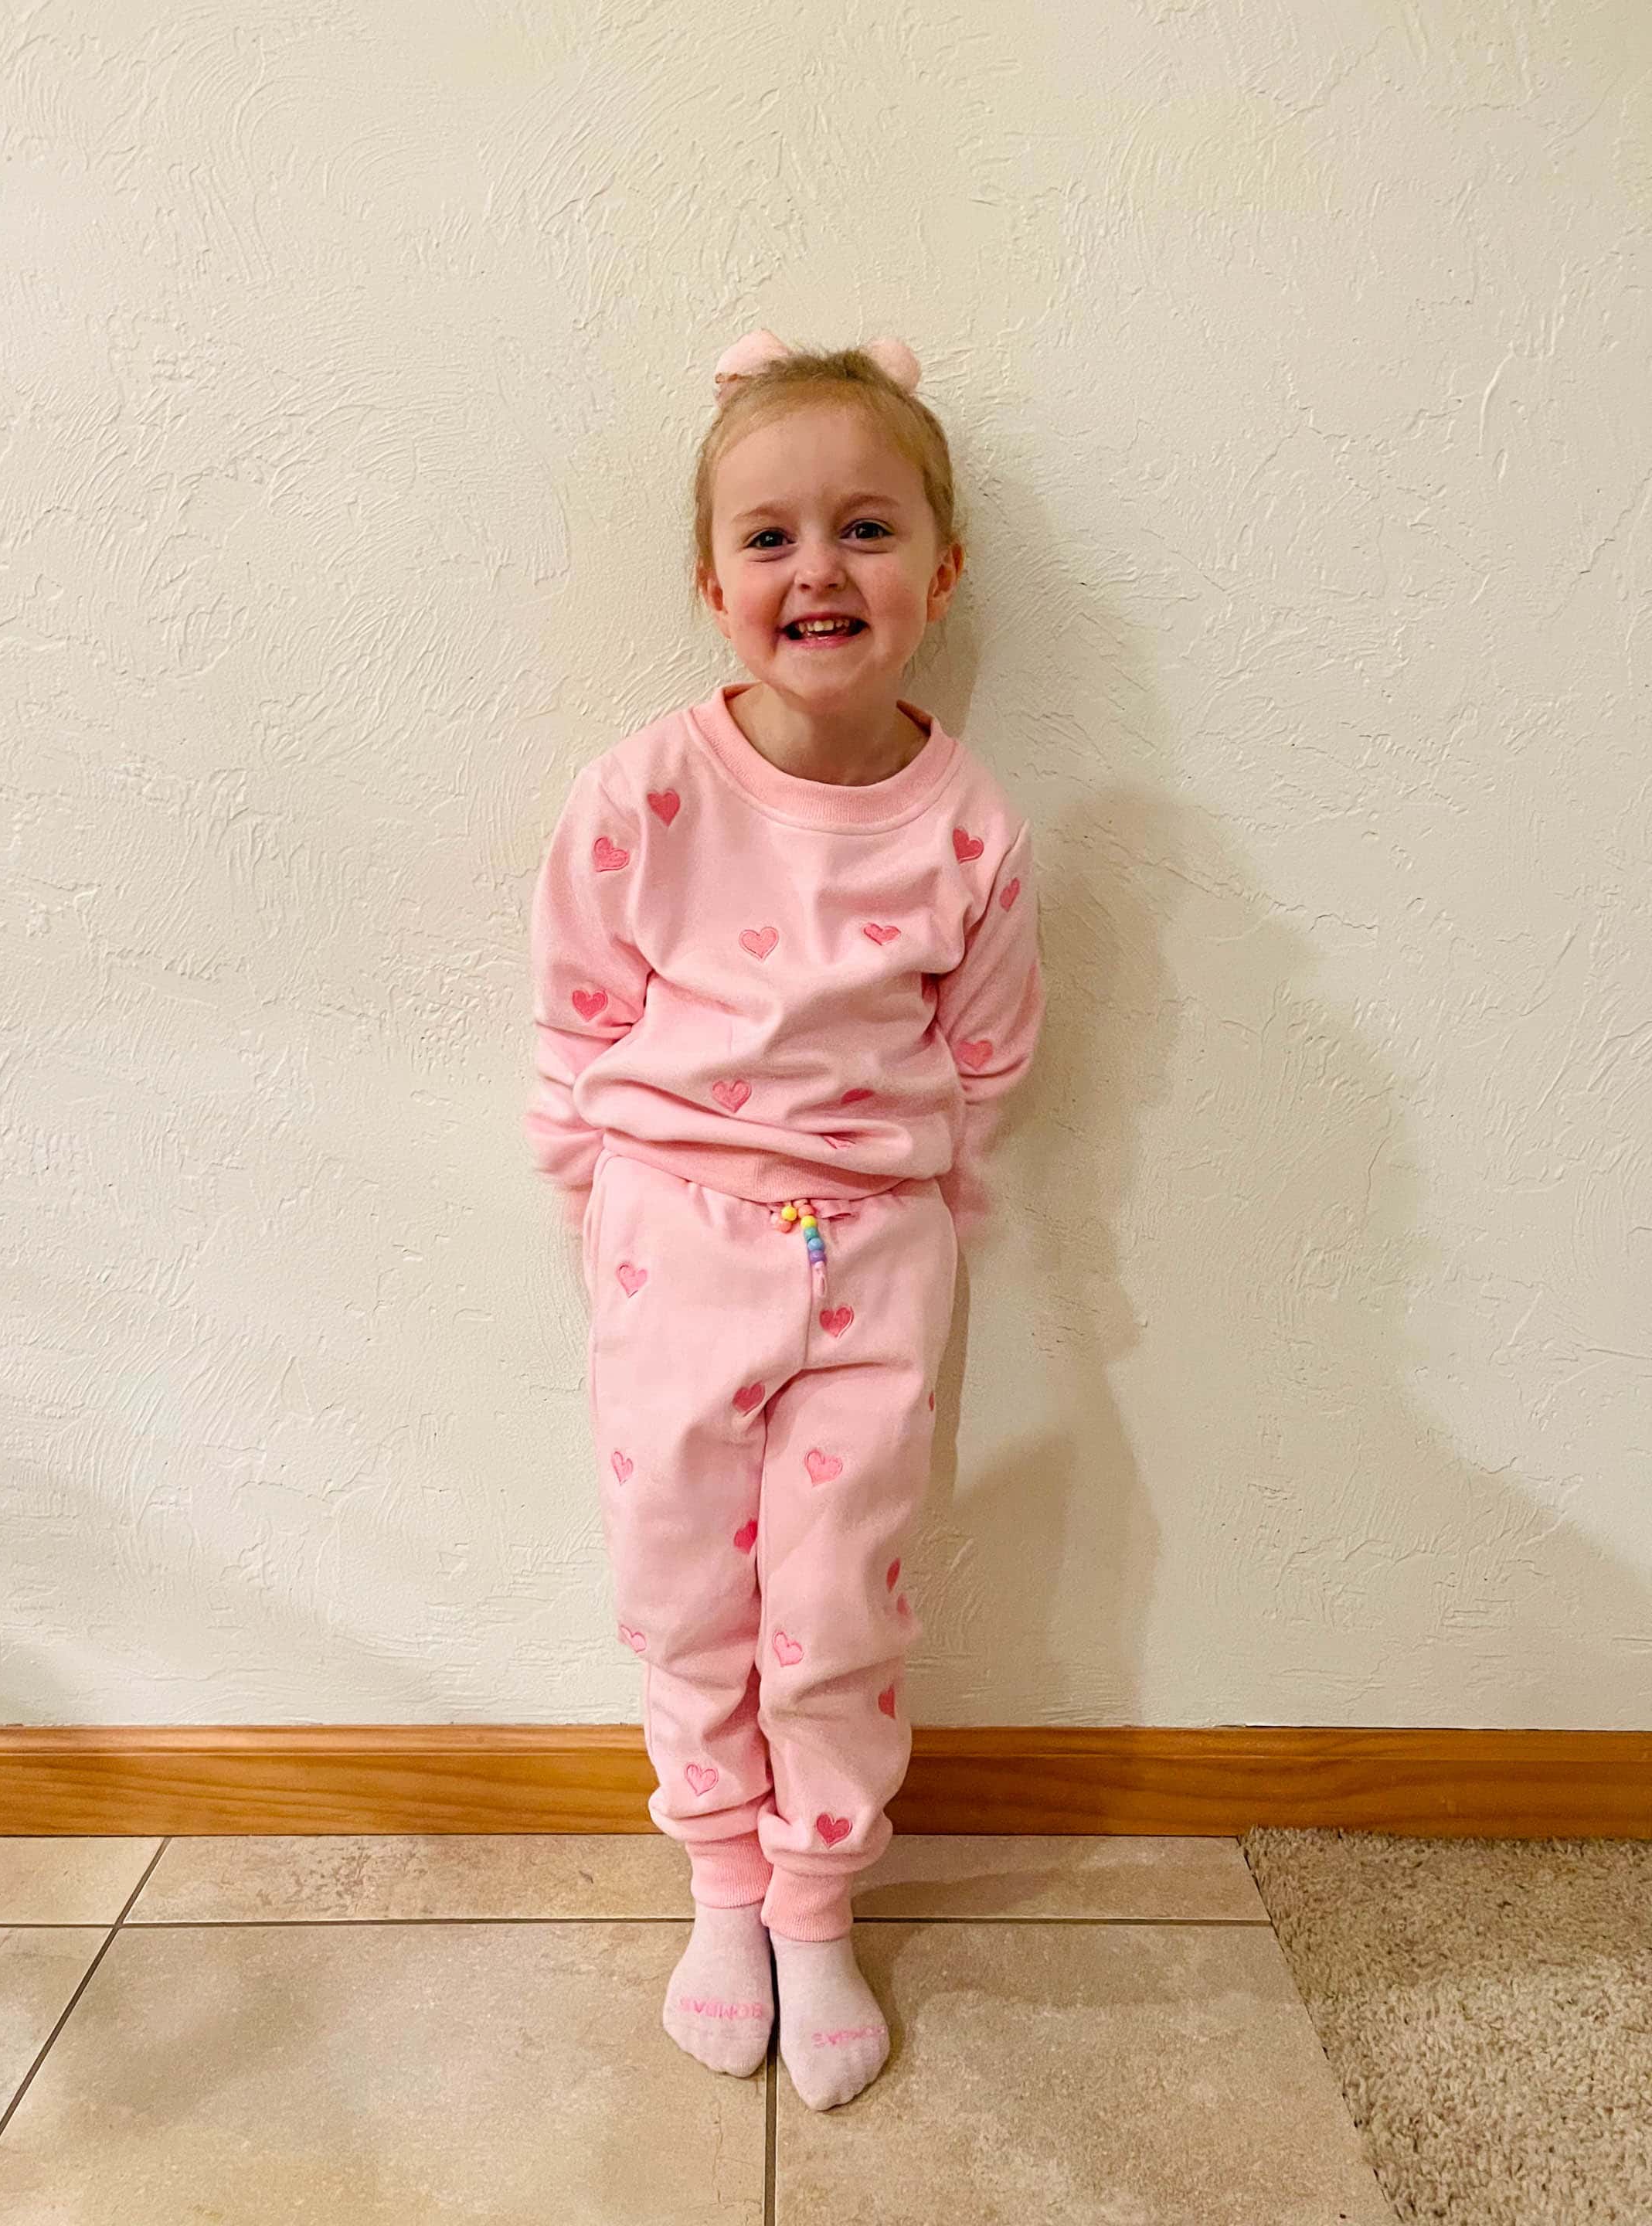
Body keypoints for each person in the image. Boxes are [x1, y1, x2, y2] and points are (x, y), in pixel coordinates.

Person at [522, 327, 1045, 2111]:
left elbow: (989, 1056)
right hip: (673, 1237)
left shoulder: (967, 825)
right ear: (712, 581)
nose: (818, 569)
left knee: (838, 1601)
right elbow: (576, 1024)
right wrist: (606, 1219)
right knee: (685, 1587)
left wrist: (926, 1224)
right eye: (770, 536)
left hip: (876, 1256)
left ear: (940, 575)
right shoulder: (644, 795)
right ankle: (723, 1890)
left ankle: (817, 1901)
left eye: (866, 528)